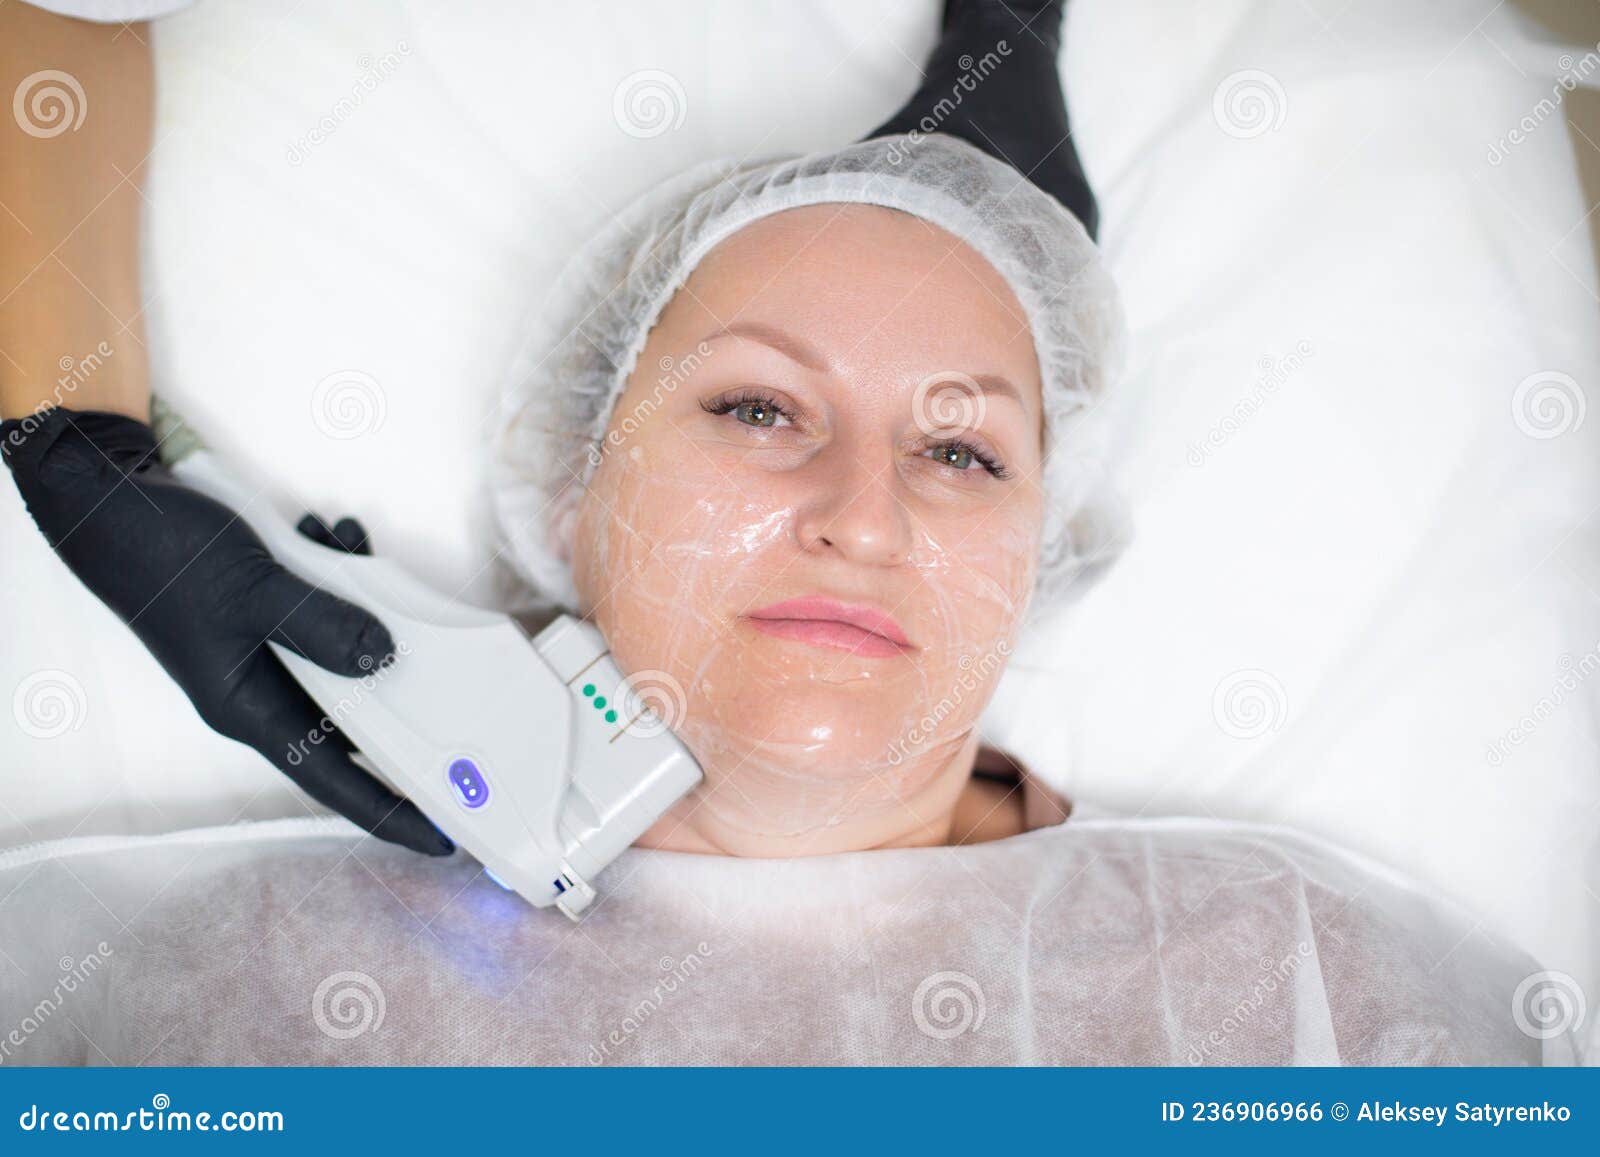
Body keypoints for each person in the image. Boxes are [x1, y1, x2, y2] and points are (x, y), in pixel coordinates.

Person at [2, 0, 1108, 855]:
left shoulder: (1257, 949)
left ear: (1038, 550)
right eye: (758, 407)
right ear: (571, 500)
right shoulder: (218, 987)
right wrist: (79, 449)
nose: (865, 520)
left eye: (962, 452)